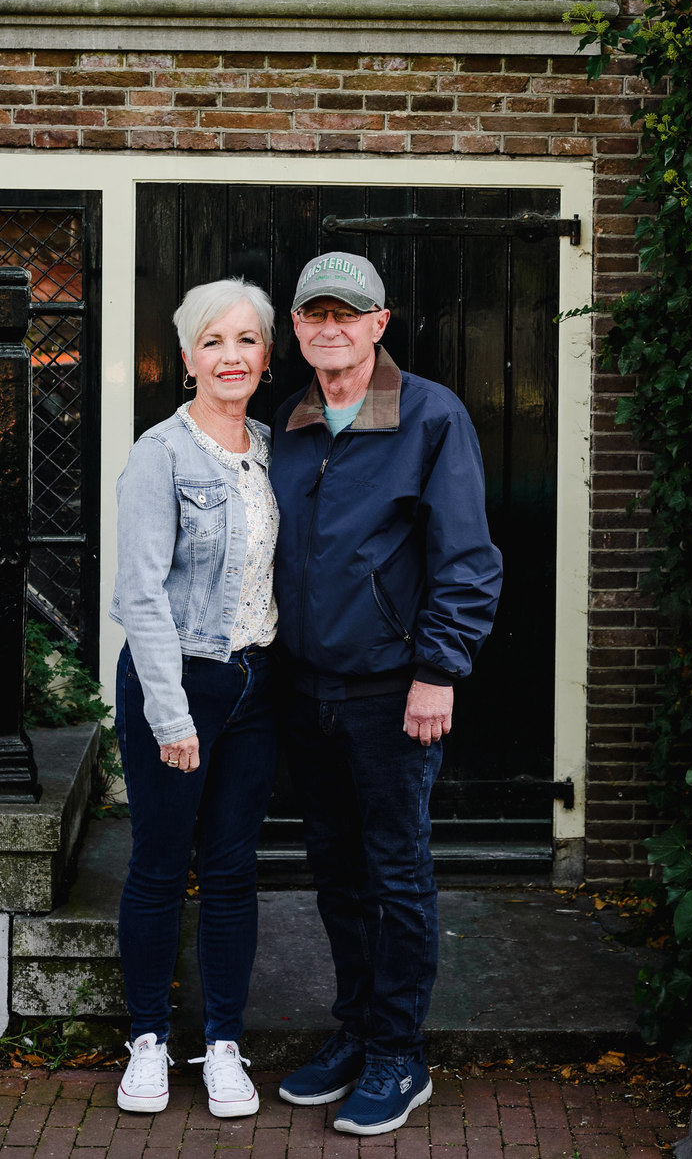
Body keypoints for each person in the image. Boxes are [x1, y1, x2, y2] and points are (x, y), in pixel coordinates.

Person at [269, 250, 503, 1137]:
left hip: (392, 692)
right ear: (297, 328)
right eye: (314, 314)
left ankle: (401, 1054)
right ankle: (357, 1029)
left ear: (379, 324)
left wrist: (438, 670)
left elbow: (468, 559)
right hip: (306, 688)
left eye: (348, 314)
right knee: (334, 869)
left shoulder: (429, 416)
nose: (330, 328)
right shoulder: (285, 423)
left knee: (395, 871)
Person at [110, 278, 280, 1120]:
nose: (230, 357)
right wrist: (171, 715)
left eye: (245, 340)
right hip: (178, 680)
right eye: (213, 341)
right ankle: (147, 1040)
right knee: (157, 865)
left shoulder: (273, 451)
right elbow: (139, 596)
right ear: (186, 359)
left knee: (230, 870)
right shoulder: (161, 453)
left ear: (266, 357)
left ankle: (221, 1044)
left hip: (255, 685)